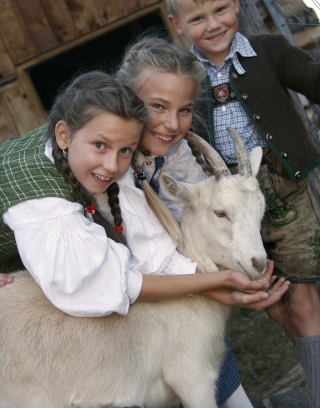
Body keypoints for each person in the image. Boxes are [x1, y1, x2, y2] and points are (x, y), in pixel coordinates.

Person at [0, 70, 286, 318]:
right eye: (100, 145)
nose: (112, 165)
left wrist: (213, 286)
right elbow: (91, 286)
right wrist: (215, 281)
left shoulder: (95, 153)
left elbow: (150, 249)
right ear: (62, 135)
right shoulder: (41, 198)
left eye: (125, 150)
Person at [164, 0, 320, 407]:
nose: (213, 25)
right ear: (178, 25)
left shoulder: (267, 51)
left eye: (220, 10)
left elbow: (312, 77)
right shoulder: (184, 80)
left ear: (236, 2)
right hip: (228, 212)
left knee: (305, 295)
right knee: (273, 300)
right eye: (197, 18)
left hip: (284, 192)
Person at [114, 35, 285, 408]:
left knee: (198, 324)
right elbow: (149, 257)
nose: (172, 123)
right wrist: (218, 283)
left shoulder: (174, 150)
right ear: (128, 101)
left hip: (149, 280)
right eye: (157, 106)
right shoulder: (113, 164)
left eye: (185, 109)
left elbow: (194, 213)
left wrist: (222, 266)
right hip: (111, 300)